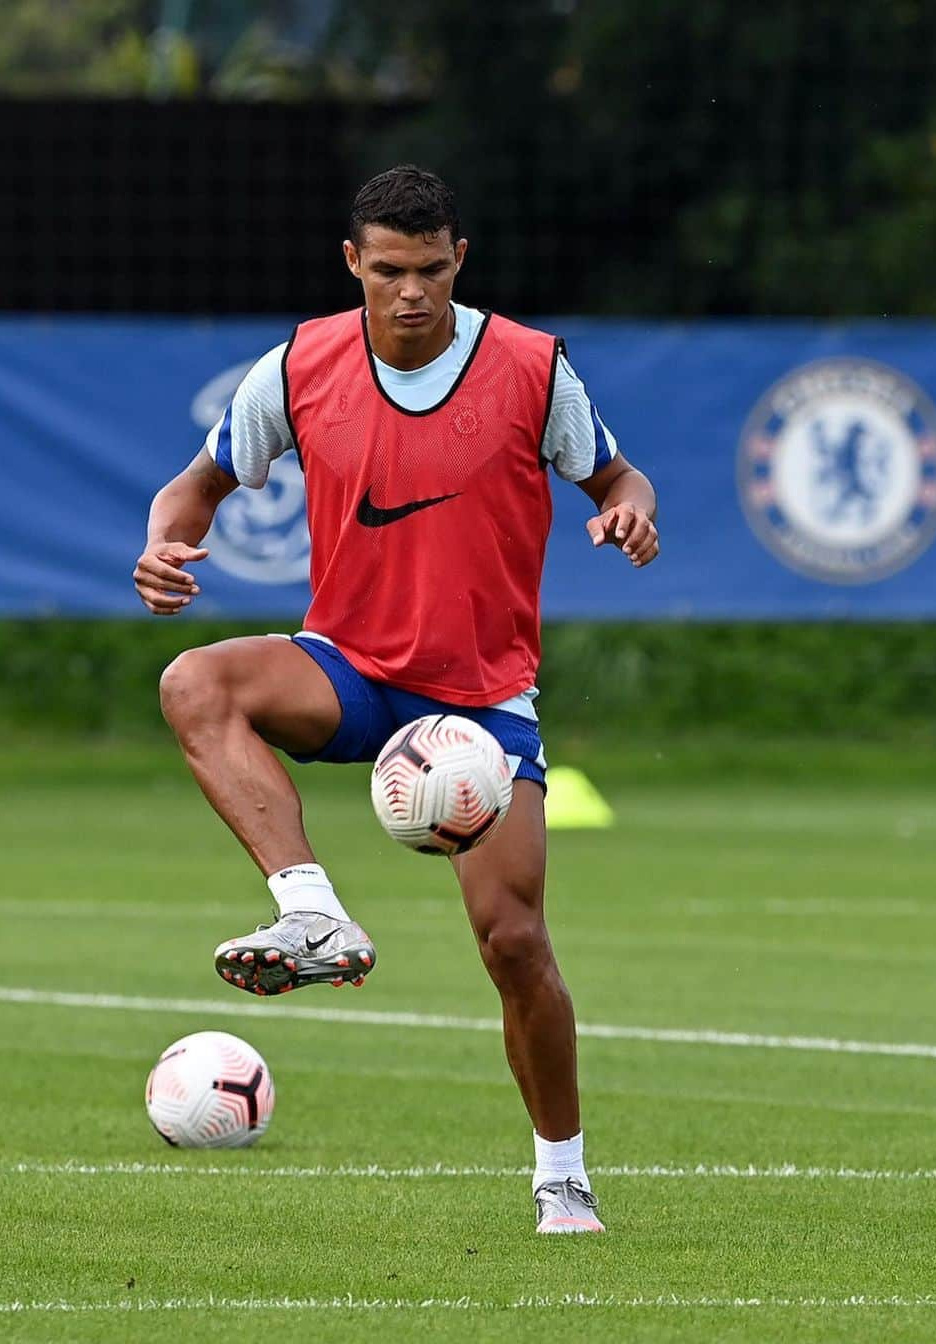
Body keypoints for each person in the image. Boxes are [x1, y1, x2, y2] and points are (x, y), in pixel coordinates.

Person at [135, 165, 659, 1234]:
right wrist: (163, 542)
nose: (410, 292)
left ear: (459, 258)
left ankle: (562, 1176)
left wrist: (632, 514)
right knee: (196, 682)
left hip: (481, 706)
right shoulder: (298, 365)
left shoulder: (528, 366)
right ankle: (312, 913)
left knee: (514, 943)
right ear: (352, 265)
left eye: (429, 269)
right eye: (387, 271)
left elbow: (616, 478)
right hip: (350, 672)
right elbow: (197, 486)